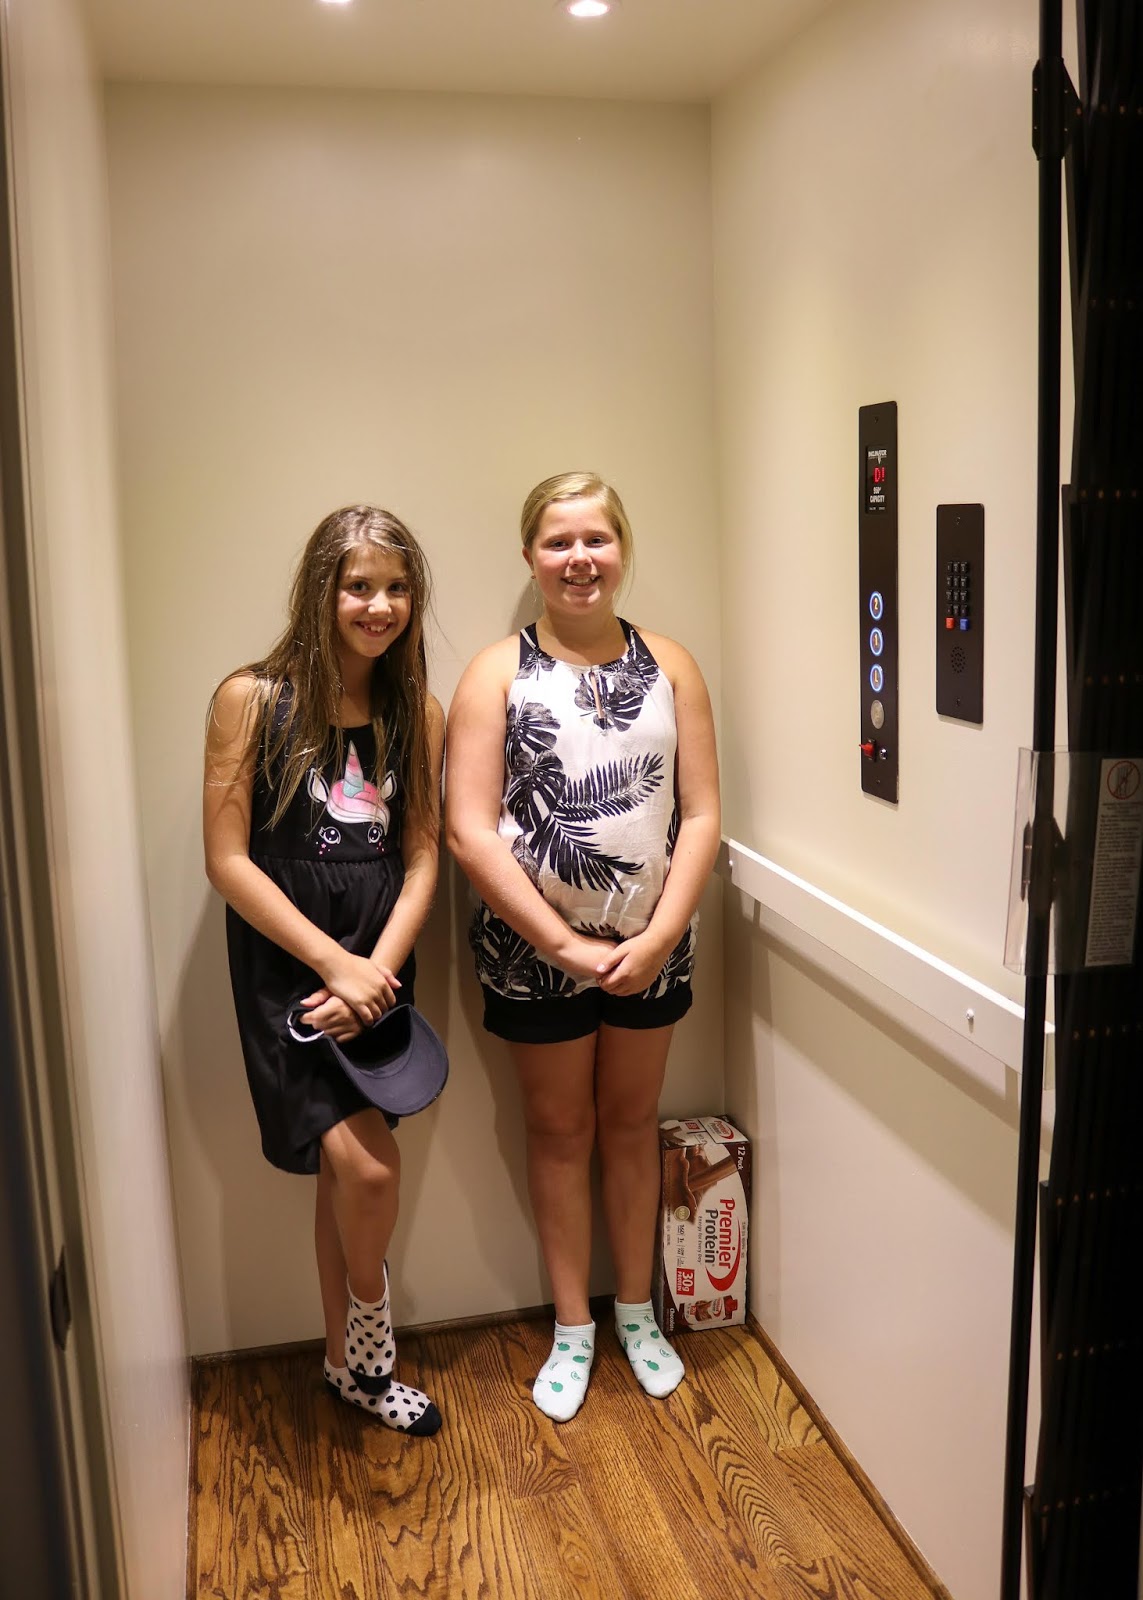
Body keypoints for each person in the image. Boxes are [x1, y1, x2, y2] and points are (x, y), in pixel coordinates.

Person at [446, 471, 720, 1422]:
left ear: (622, 548)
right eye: (558, 541)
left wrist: (660, 934)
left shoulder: (672, 665)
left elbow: (700, 815)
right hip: (531, 953)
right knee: (559, 1130)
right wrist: (561, 944)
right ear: (530, 556)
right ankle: (573, 1328)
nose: (578, 558)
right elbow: (469, 830)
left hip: (654, 947)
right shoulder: (495, 674)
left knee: (631, 1123)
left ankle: (636, 1313)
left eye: (595, 539)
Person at [203, 504, 445, 1436]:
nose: (379, 605)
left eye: (396, 587)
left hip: (378, 965)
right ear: (321, 591)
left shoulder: (414, 711)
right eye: (358, 586)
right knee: (369, 1171)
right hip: (291, 967)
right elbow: (228, 862)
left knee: (348, 1176)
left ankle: (342, 1365)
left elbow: (421, 855)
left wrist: (375, 970)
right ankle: (375, 1342)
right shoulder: (250, 700)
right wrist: (335, 966)